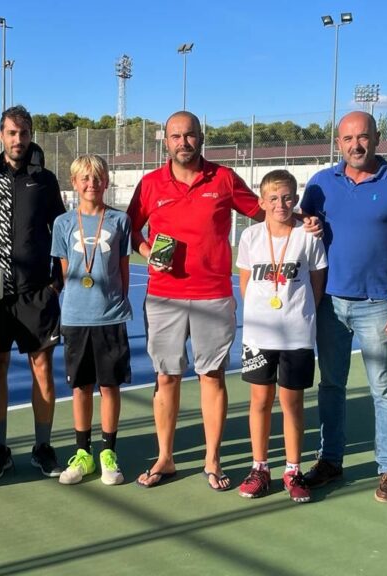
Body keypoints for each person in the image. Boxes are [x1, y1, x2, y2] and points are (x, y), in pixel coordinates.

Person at [127, 111, 321, 490]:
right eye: (176, 136)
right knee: (166, 377)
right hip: (164, 297)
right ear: (166, 141)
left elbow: (264, 208)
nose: (183, 142)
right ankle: (165, 458)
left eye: (190, 135)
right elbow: (132, 228)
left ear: (202, 138)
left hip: (213, 296)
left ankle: (211, 460)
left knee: (211, 376)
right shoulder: (150, 184)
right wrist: (148, 250)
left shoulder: (224, 178)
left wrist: (303, 219)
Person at [300, 111, 387, 503]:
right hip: (328, 305)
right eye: (347, 138)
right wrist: (304, 224)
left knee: (384, 391)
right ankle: (330, 460)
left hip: (378, 306)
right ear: (337, 142)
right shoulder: (321, 183)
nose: (355, 145)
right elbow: (302, 226)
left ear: (377, 139)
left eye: (363, 137)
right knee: (330, 386)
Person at [0, 105, 66, 479]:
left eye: (23, 134)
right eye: (11, 133)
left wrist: (57, 280)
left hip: (37, 289)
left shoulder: (45, 180)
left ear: (30, 135)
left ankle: (42, 446)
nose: (18, 140)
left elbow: (61, 231)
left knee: (42, 367)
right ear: (1, 135)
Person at [236, 170, 327, 503]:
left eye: (288, 197)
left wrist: (298, 314)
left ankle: (292, 469)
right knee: (259, 402)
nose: (281, 204)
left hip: (297, 334)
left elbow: (317, 284)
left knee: (292, 404)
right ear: (261, 202)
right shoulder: (250, 237)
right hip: (259, 334)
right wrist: (264, 314)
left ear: (296, 200)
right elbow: (246, 284)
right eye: (273, 198)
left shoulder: (308, 235)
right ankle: (260, 468)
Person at [51, 155, 132, 486]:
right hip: (75, 317)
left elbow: (123, 271)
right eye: (84, 178)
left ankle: (108, 453)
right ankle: (82, 453)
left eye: (97, 178)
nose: (91, 183)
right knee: (81, 387)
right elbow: (65, 270)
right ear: (74, 182)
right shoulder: (63, 223)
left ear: (106, 181)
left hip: (110, 316)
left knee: (109, 386)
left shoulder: (119, 221)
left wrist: (114, 303)